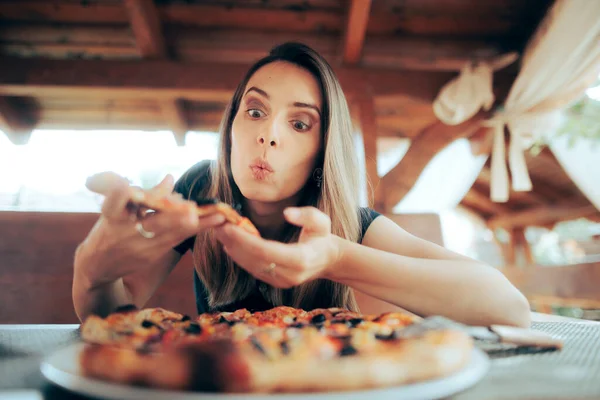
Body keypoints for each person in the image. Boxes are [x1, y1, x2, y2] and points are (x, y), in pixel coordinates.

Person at [73, 42, 531, 328]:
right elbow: (113, 315)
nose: (267, 134)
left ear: (321, 152)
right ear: (231, 128)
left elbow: (508, 307)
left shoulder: (351, 223)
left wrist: (335, 256)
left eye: (299, 123)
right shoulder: (201, 189)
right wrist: (94, 270)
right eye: (254, 111)